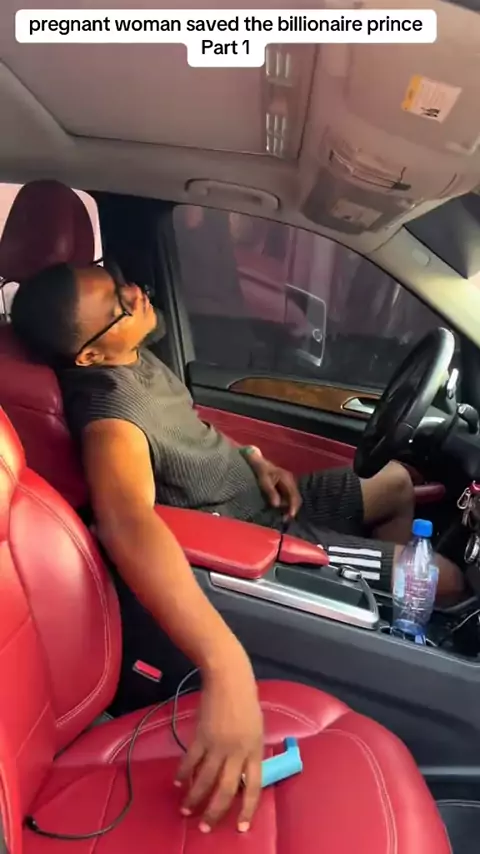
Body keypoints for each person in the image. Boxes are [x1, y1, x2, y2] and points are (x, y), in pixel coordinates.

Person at [10, 262, 465, 829]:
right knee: (445, 580)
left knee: (395, 482)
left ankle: (392, 622)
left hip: (266, 497)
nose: (134, 292)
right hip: (260, 537)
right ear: (90, 356)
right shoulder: (111, 415)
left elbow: (194, 430)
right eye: (118, 305)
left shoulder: (132, 354)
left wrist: (255, 459)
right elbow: (125, 522)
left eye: (116, 278)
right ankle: (393, 622)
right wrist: (224, 663)